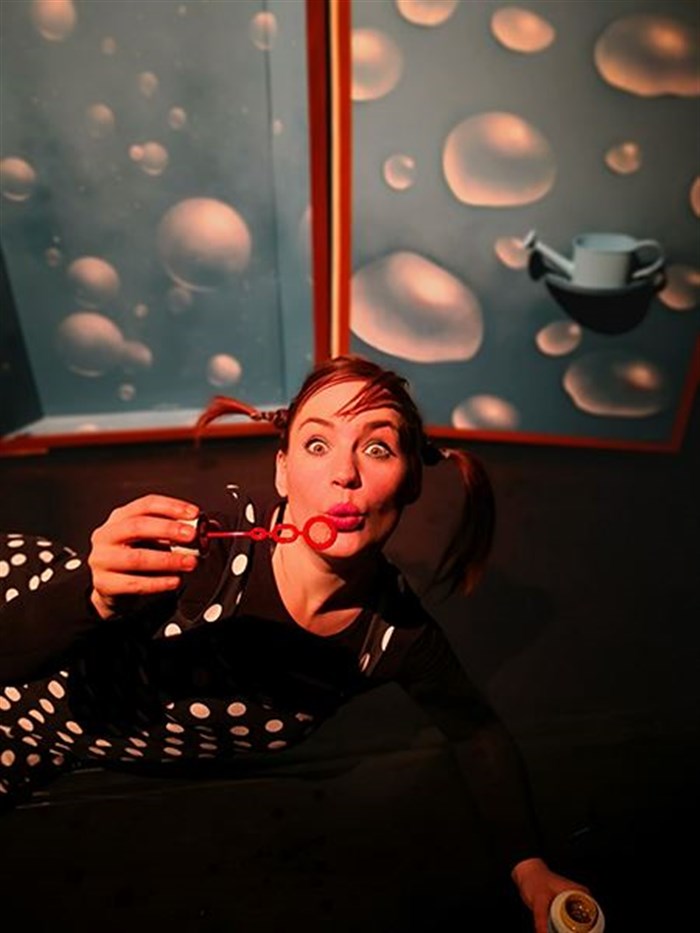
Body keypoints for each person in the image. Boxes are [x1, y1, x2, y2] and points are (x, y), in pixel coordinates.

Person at [0, 354, 590, 932]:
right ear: (282, 470)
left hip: (61, 745)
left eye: (377, 448)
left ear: (411, 480)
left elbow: (475, 731)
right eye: (317, 444)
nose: (345, 473)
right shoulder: (201, 554)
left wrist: (530, 869)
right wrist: (93, 596)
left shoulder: (393, 637)